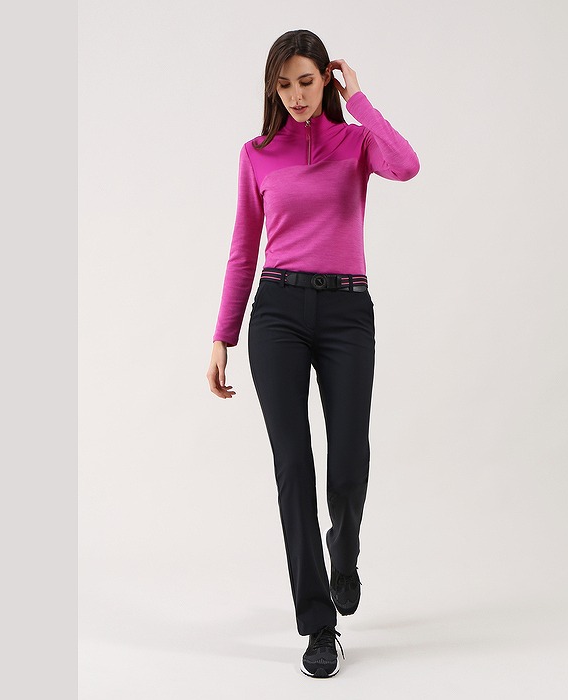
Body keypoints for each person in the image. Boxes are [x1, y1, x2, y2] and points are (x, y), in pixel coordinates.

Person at [206, 29, 420, 678]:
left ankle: (344, 551)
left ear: (326, 78)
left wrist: (361, 101)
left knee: (348, 458)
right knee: (293, 465)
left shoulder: (356, 142)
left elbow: (406, 165)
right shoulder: (256, 155)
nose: (296, 96)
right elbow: (244, 249)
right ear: (271, 88)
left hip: (347, 312)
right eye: (284, 85)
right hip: (277, 313)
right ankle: (318, 623)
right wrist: (223, 335)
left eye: (306, 81)